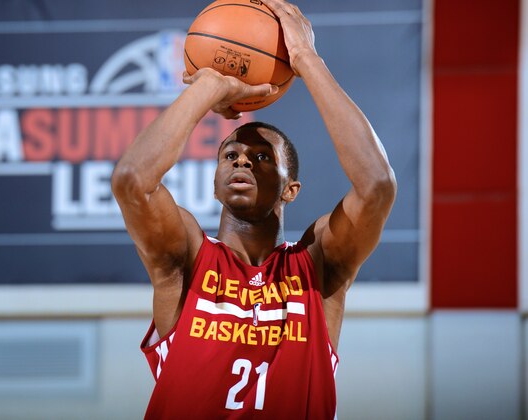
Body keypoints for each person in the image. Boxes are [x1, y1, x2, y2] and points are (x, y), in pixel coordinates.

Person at [112, 0, 396, 417]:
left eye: (262, 157)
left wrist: (306, 60)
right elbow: (131, 181)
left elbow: (377, 186)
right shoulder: (186, 258)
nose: (242, 161)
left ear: (290, 190)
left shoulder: (318, 265)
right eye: (230, 155)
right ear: (215, 185)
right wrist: (209, 87)